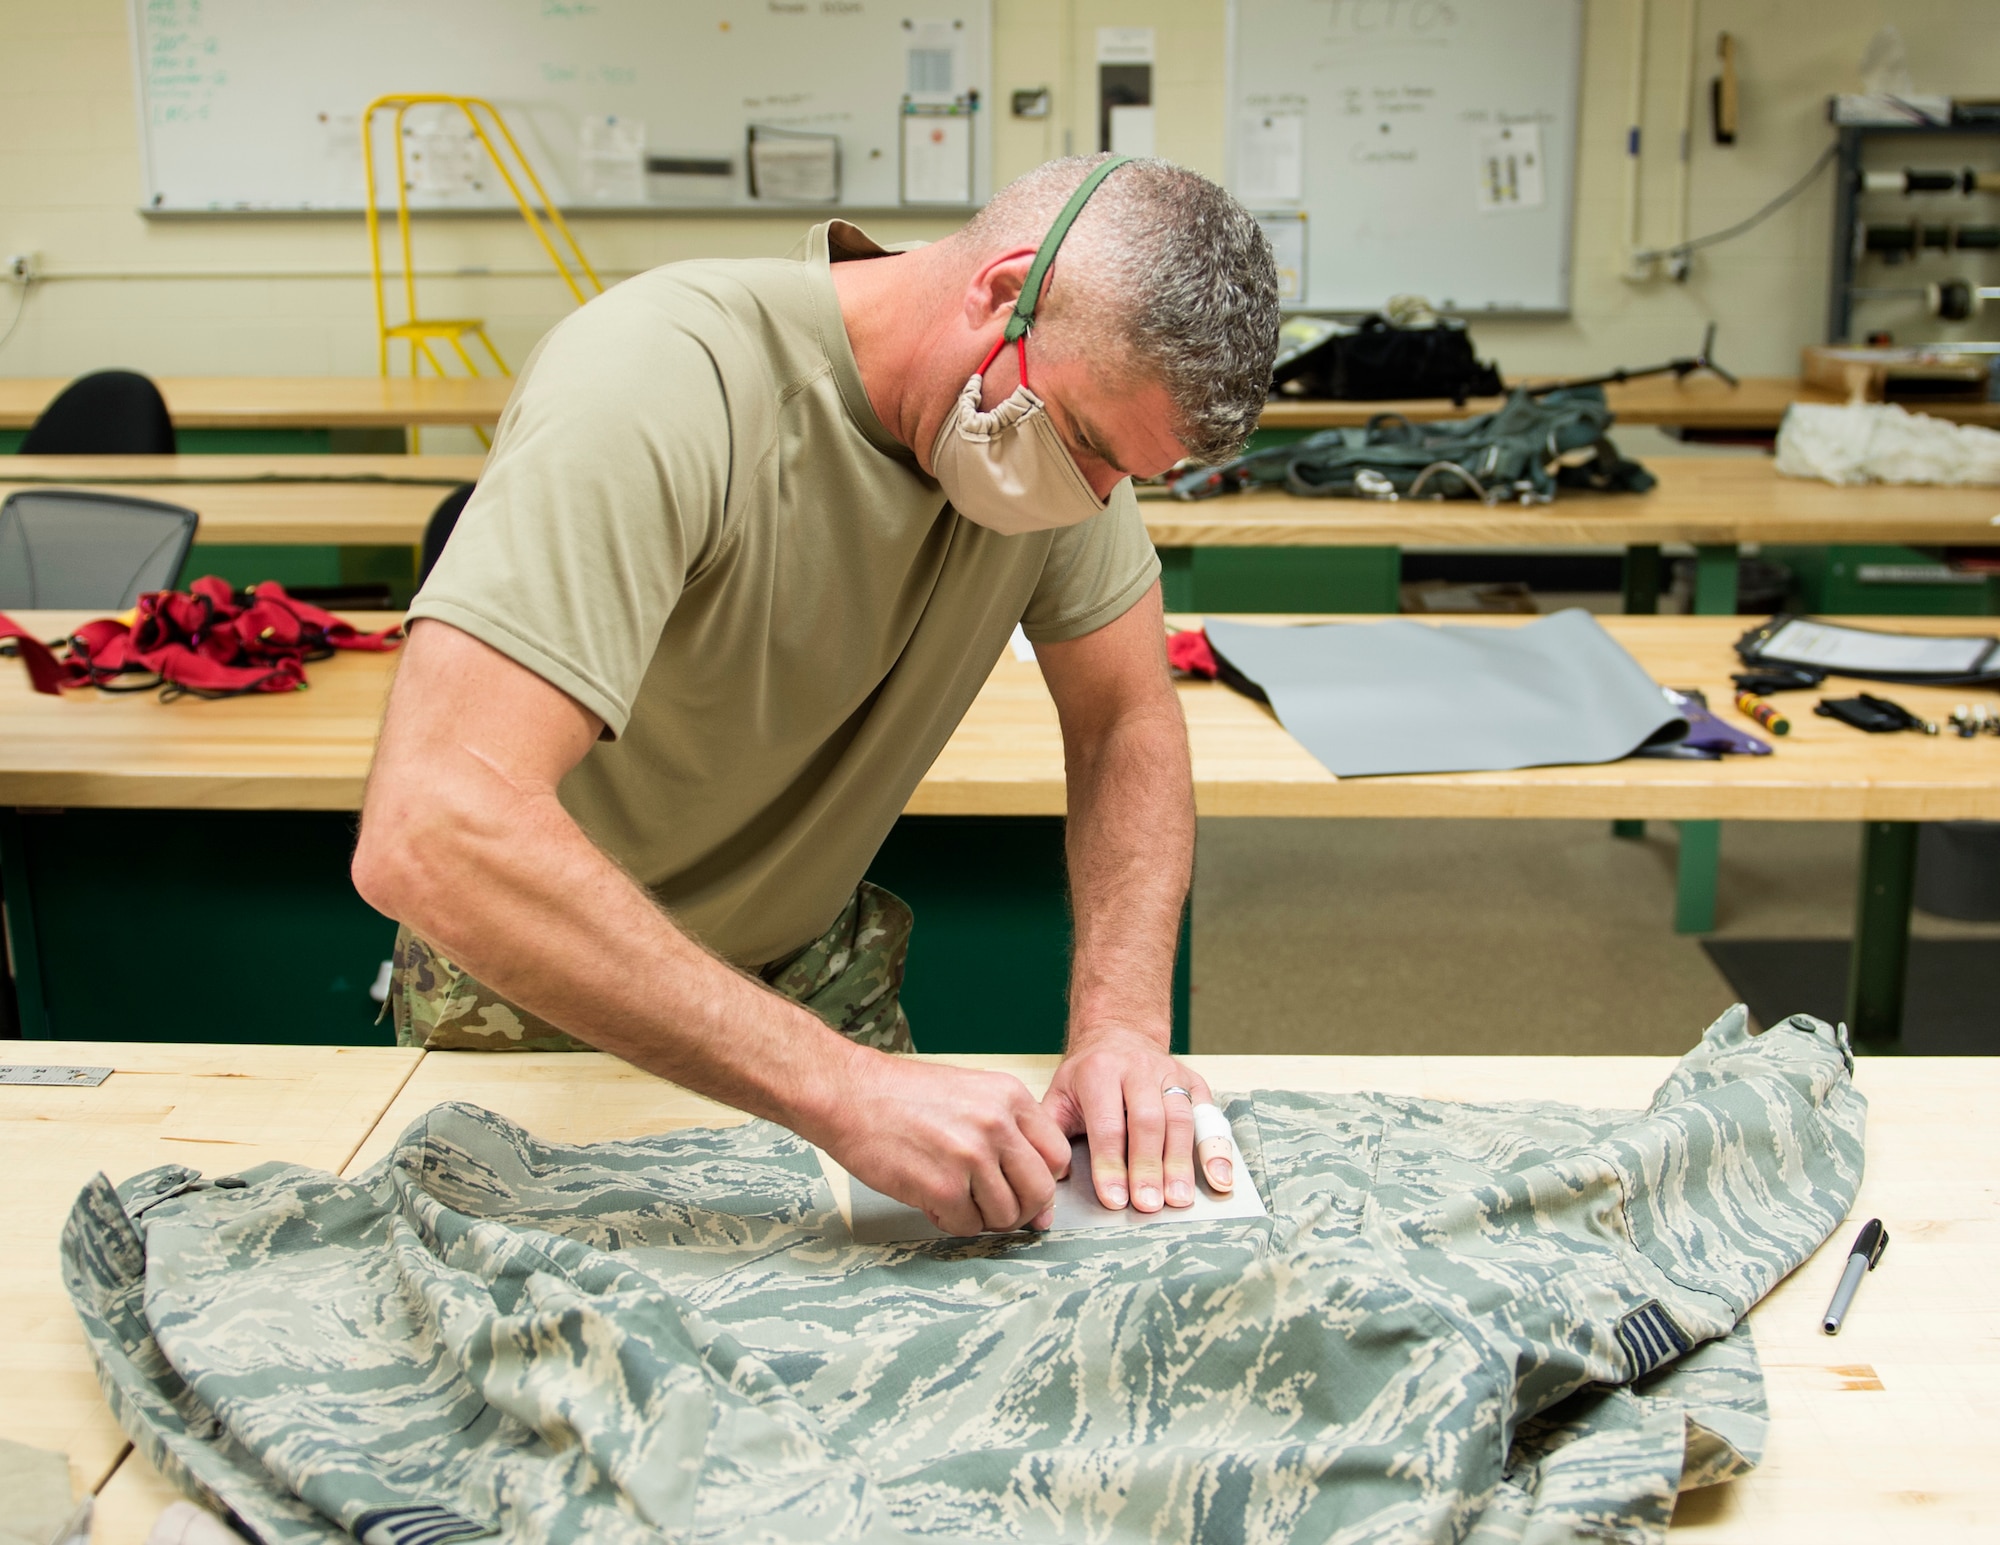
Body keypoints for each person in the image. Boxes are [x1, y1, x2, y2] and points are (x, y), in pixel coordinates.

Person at [352, 153, 1280, 1238]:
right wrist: (842, 1091)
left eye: (1124, 473)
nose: (1090, 495)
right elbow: (433, 829)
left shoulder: (1049, 431)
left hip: (809, 972)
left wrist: (1120, 1025)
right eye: (1083, 443)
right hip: (549, 993)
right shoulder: (663, 376)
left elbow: (1125, 717)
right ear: (999, 291)